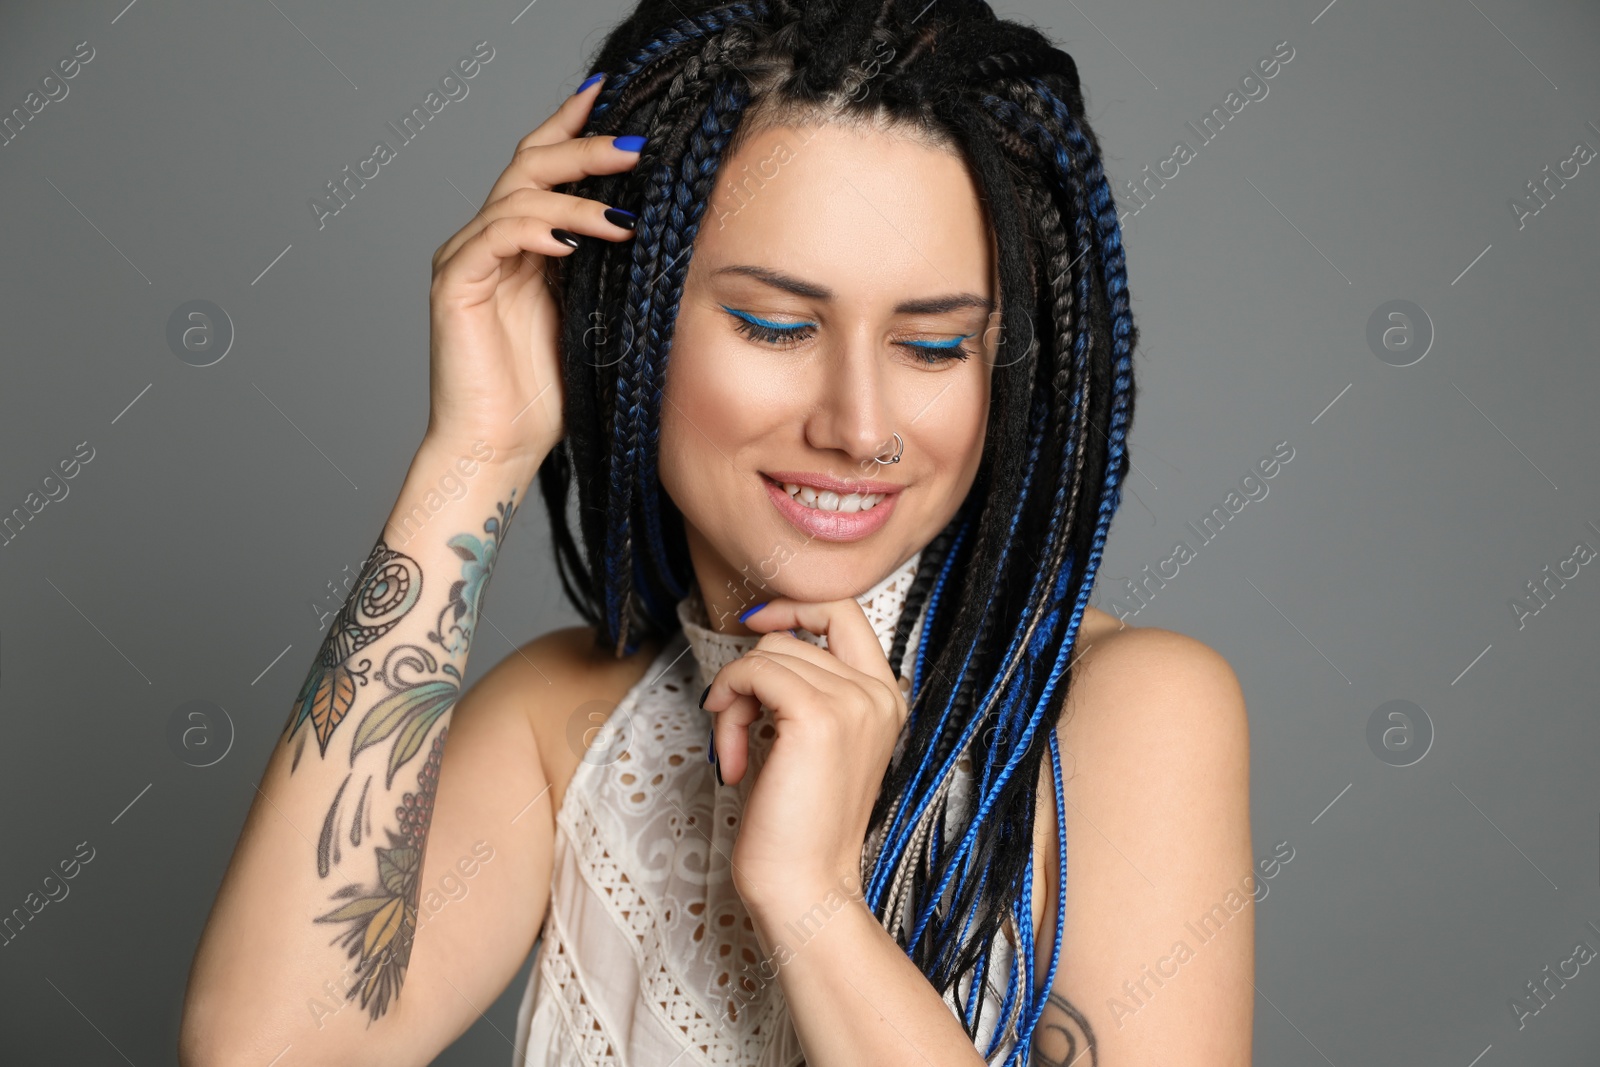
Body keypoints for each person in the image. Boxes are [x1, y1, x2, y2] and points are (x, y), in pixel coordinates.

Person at [180, 2, 1254, 1064]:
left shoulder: (1125, 713)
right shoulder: (564, 726)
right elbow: (264, 1049)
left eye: (933, 346)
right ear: (625, 319)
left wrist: (812, 900)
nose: (860, 427)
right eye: (775, 327)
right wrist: (475, 455)